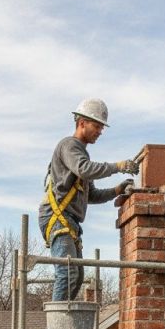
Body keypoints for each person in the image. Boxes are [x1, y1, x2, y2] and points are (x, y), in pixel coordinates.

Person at [39, 98, 139, 307]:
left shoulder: (82, 155)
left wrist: (117, 190)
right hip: (58, 218)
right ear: (82, 122)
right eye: (97, 125)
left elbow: (90, 195)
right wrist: (118, 166)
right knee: (67, 273)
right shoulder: (69, 146)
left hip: (70, 221)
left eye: (102, 127)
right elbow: (85, 169)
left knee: (76, 277)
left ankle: (61, 327)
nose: (100, 131)